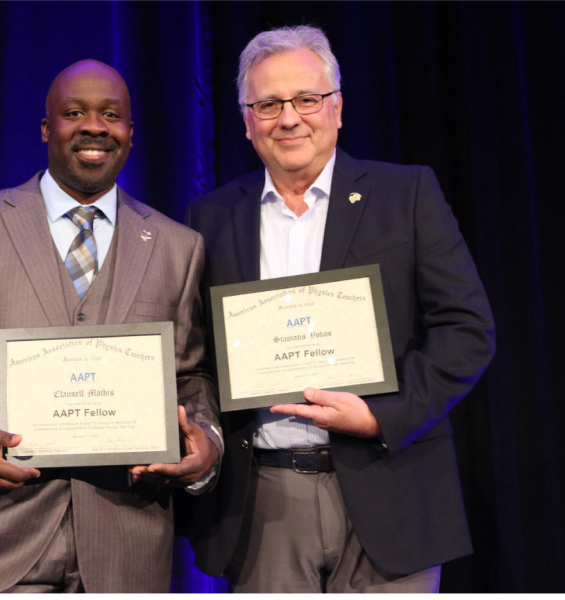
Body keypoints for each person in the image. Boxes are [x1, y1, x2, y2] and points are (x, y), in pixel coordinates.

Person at [186, 26, 496, 593]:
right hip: (262, 506)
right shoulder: (209, 217)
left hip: (391, 487)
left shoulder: (406, 195)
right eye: (269, 104)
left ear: (337, 108)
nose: (289, 118)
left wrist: (384, 415)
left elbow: (466, 330)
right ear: (247, 118)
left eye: (307, 99)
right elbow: (197, 354)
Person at [0, 60, 222, 593]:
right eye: (74, 113)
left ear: (131, 134)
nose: (94, 126)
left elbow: (189, 377)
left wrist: (205, 442)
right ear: (47, 128)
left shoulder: (176, 247)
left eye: (111, 115)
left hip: (128, 549)